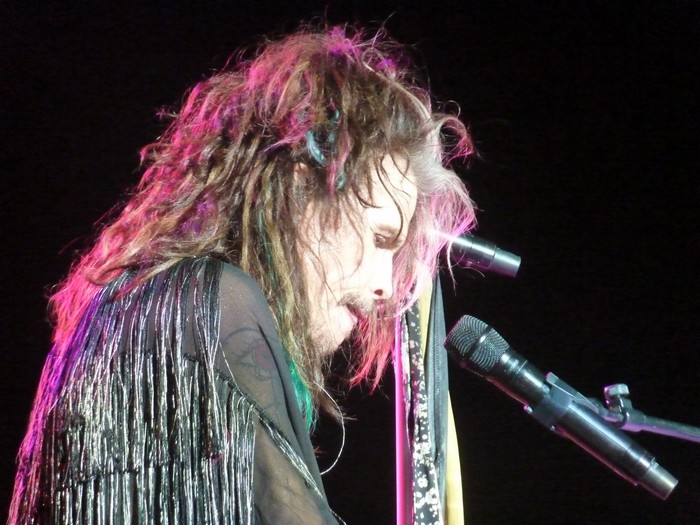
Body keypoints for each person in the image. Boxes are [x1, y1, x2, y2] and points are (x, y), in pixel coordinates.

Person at [9, 24, 476, 524]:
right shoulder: (214, 304)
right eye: (381, 237)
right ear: (301, 192)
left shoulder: (144, 308)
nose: (386, 286)